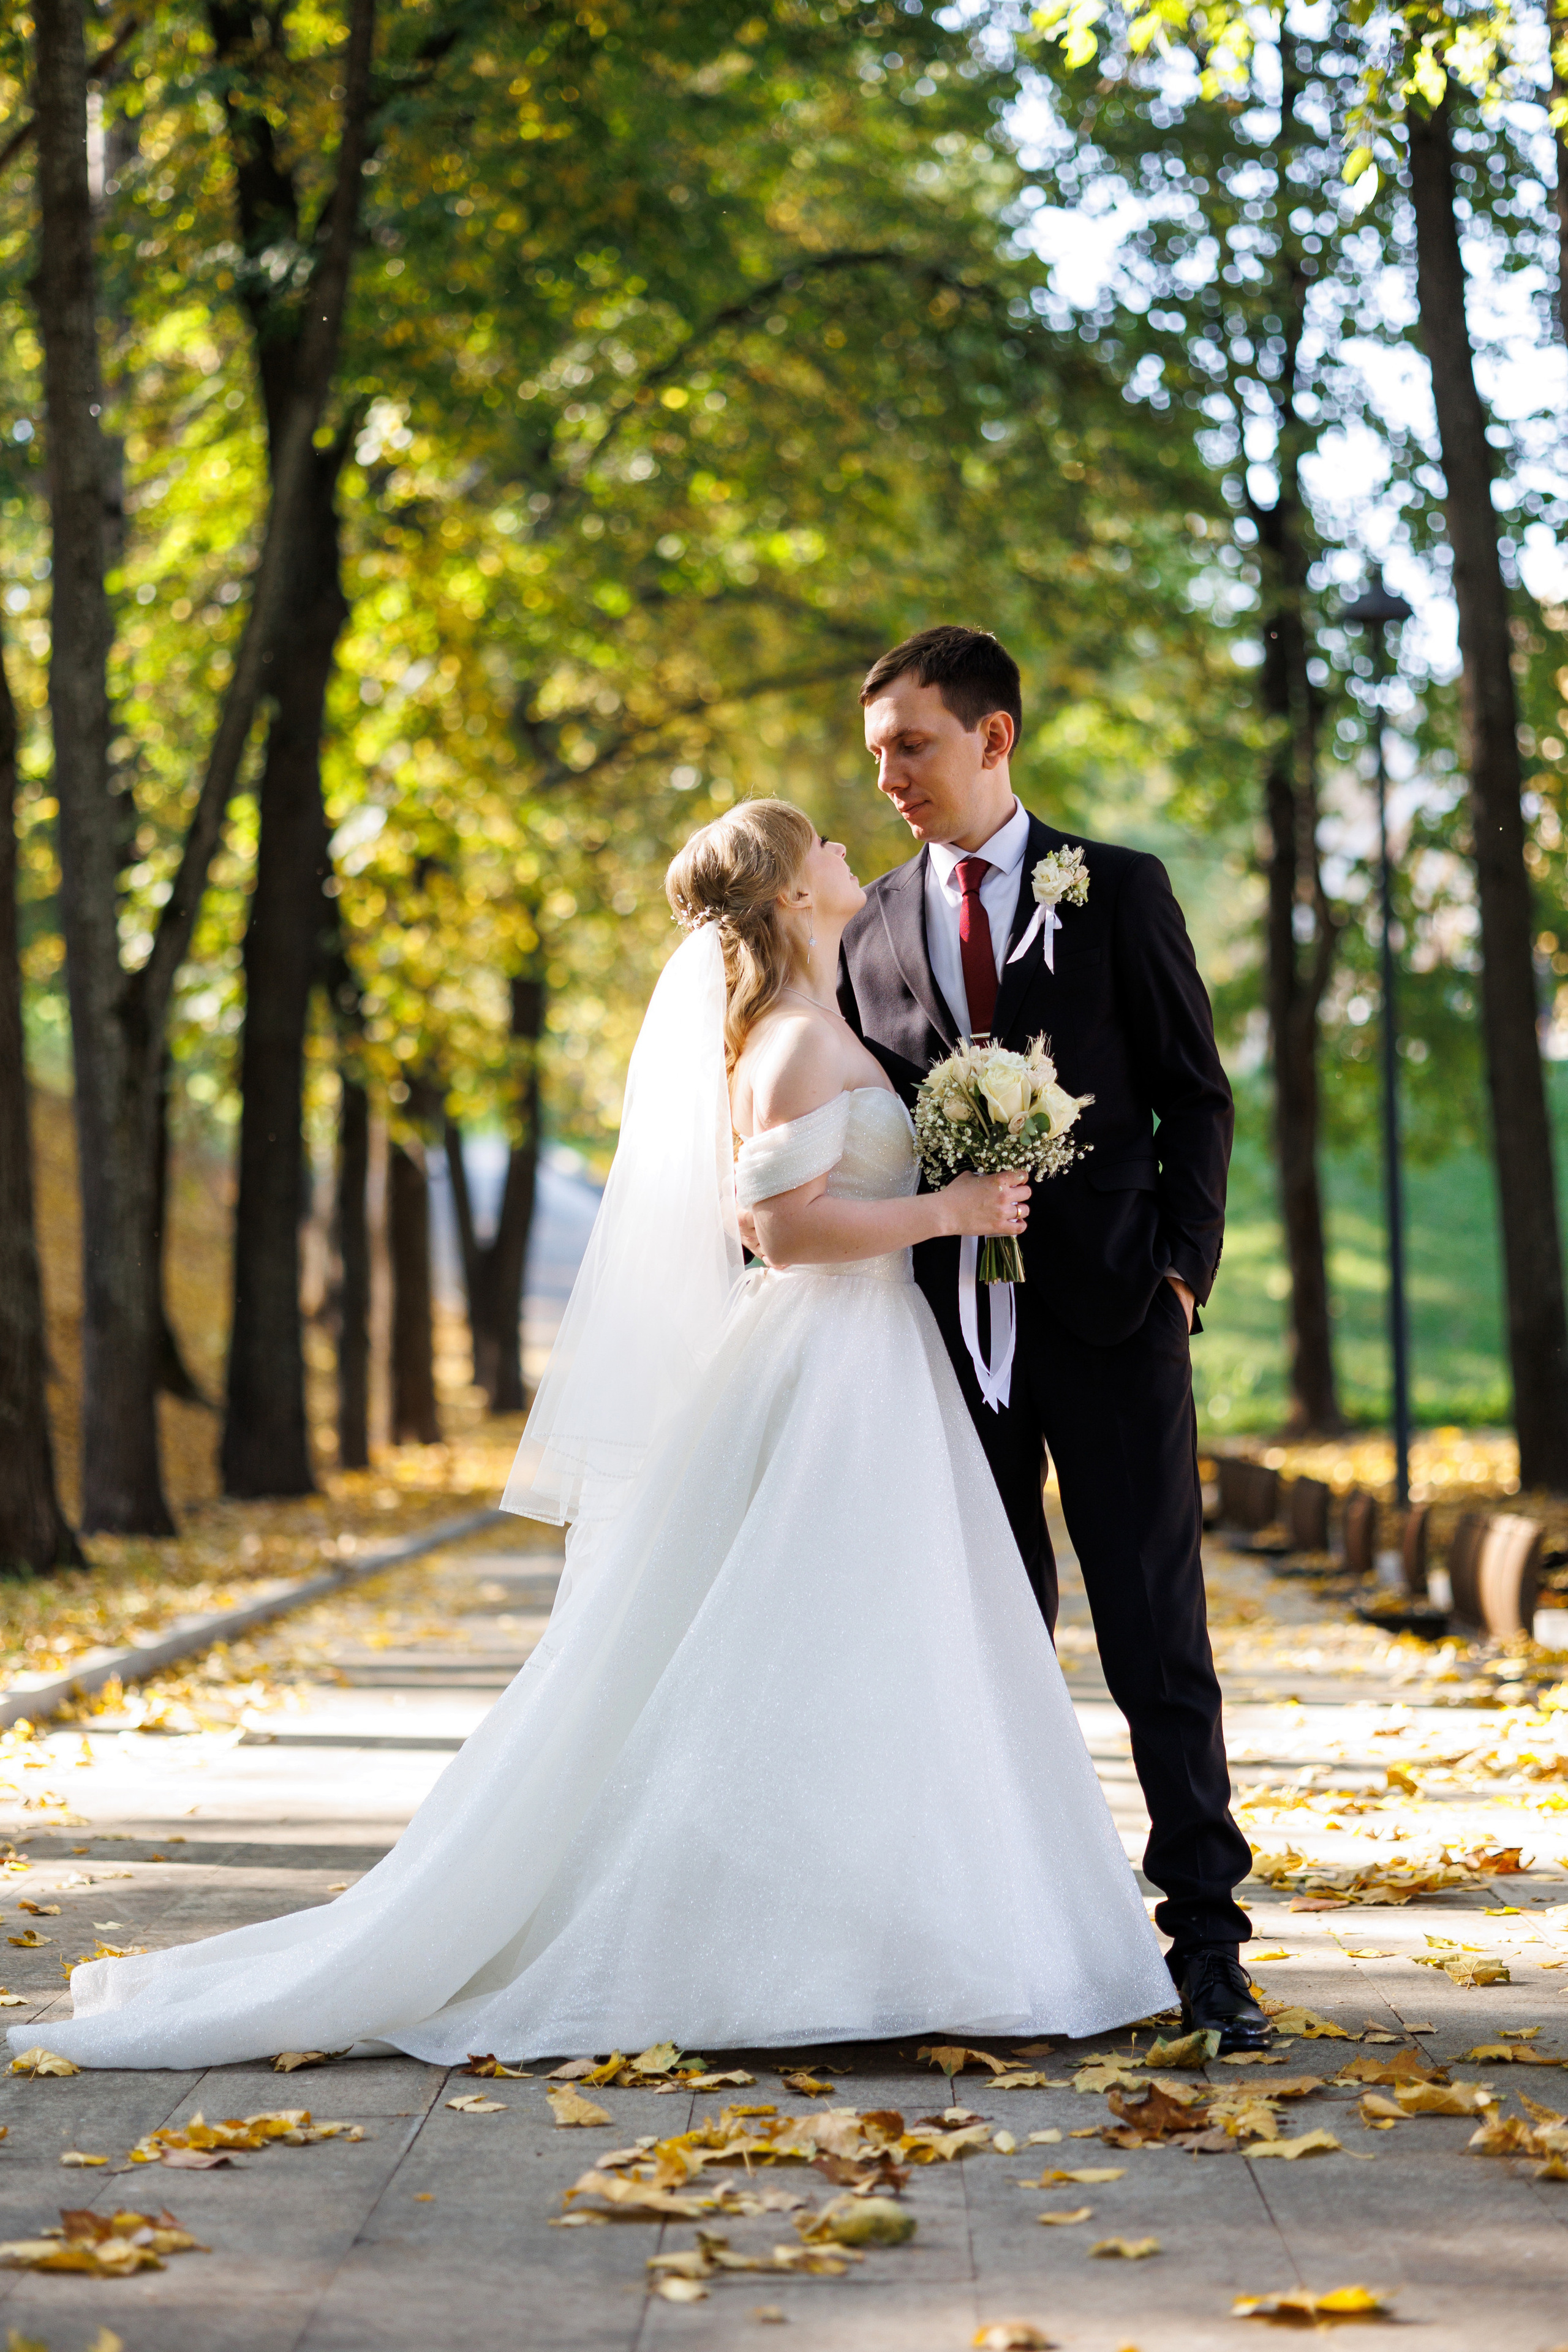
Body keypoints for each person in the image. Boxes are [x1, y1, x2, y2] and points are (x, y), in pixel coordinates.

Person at [17, 799, 1174, 2073]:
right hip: (833, 1360)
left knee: (885, 1646)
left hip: (874, 1365)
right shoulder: (789, 1041)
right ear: (791, 895)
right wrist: (948, 1208)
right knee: (817, 1644)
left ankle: (912, 1941)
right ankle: (811, 1951)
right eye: (824, 852)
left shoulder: (813, 1024)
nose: (849, 856)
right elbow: (780, 1233)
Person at [836, 625, 1264, 2051]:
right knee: (984, 1634)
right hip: (943, 1342)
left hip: (1109, 1315)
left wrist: (1180, 1274)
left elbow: (1194, 1094)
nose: (888, 773)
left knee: (1155, 1634)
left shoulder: (1113, 889)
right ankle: (997, 1944)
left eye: (914, 744)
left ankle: (1206, 1947)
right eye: (878, 748)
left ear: (994, 738)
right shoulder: (869, 926)